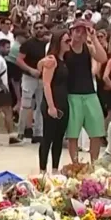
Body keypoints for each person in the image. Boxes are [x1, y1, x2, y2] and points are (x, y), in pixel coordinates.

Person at [65, 20, 108, 163]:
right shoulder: (66, 50)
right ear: (71, 32)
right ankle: (75, 163)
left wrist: (93, 37)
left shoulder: (88, 48)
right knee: (73, 134)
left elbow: (102, 58)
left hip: (90, 93)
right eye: (77, 30)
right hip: (72, 94)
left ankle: (94, 162)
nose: (79, 34)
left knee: (96, 132)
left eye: (83, 31)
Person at [36, 30, 71, 174]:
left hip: (63, 101)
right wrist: (51, 106)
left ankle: (55, 169)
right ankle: (43, 170)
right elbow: (46, 83)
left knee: (59, 138)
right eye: (66, 41)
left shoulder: (64, 60)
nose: (69, 43)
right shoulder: (52, 60)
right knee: (47, 138)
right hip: (53, 101)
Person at [17, 22, 48, 142]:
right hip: (29, 77)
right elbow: (19, 60)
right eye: (37, 28)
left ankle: (38, 133)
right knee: (26, 105)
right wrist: (30, 70)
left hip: (42, 78)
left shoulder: (47, 44)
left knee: (41, 105)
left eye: (41, 27)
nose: (39, 30)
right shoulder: (27, 44)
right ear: (33, 30)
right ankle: (21, 131)